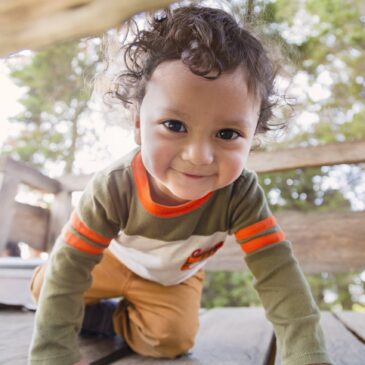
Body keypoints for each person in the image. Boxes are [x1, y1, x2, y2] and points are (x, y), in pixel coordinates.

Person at [29, 4, 332, 365]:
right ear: (138, 124)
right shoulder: (114, 187)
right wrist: (52, 355)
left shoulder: (241, 195)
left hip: (170, 279)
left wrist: (308, 356)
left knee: (170, 341)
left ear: (253, 137)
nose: (199, 156)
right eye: (174, 125)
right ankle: (91, 311)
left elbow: (279, 273)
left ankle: (112, 320)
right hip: (108, 261)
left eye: (227, 133)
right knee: (47, 286)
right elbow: (71, 264)